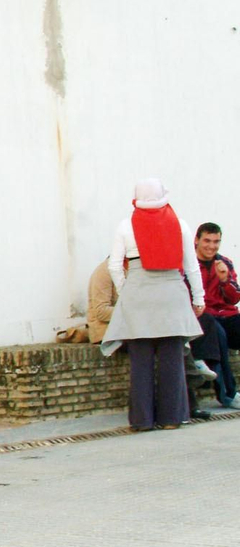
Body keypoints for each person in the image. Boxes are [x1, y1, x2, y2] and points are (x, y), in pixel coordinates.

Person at [101, 178, 203, 430]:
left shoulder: (126, 226)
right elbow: (191, 266)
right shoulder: (180, 224)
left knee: (141, 362)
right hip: (171, 294)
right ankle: (171, 418)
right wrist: (198, 297)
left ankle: (142, 421)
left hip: (138, 294)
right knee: (172, 359)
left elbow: (114, 265)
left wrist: (129, 290)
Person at [195, 222, 240, 407]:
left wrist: (224, 280)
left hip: (226, 314)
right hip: (204, 317)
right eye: (207, 240)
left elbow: (234, 298)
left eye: (216, 241)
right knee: (218, 336)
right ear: (196, 240)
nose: (211, 246)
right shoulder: (187, 263)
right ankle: (228, 395)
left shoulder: (225, 262)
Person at [87, 257, 117, 344]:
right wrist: (133, 312)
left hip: (125, 330)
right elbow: (101, 311)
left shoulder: (135, 269)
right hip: (105, 332)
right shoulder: (104, 271)